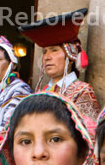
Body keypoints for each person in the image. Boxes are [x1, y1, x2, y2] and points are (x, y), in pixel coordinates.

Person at [19, 8, 100, 137]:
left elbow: (89, 137)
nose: (47, 57)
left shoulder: (82, 91)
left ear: (71, 56)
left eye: (54, 50)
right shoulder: (42, 92)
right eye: (44, 52)